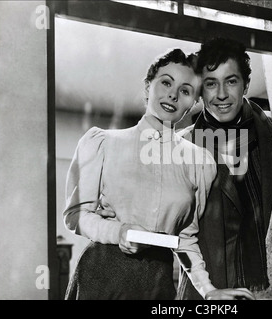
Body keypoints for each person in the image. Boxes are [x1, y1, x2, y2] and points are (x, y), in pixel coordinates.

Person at [62, 48, 255, 300]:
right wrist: (118, 232)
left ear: (193, 102)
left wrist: (208, 290)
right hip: (102, 275)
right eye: (166, 82)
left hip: (158, 281)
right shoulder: (103, 142)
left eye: (185, 90)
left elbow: (185, 239)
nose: (173, 95)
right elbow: (75, 215)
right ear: (147, 87)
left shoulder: (200, 162)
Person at [176, 38, 272, 300]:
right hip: (209, 292)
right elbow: (178, 236)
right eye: (211, 83)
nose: (221, 94)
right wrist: (207, 290)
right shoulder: (181, 146)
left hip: (271, 286)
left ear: (246, 84)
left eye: (231, 81)